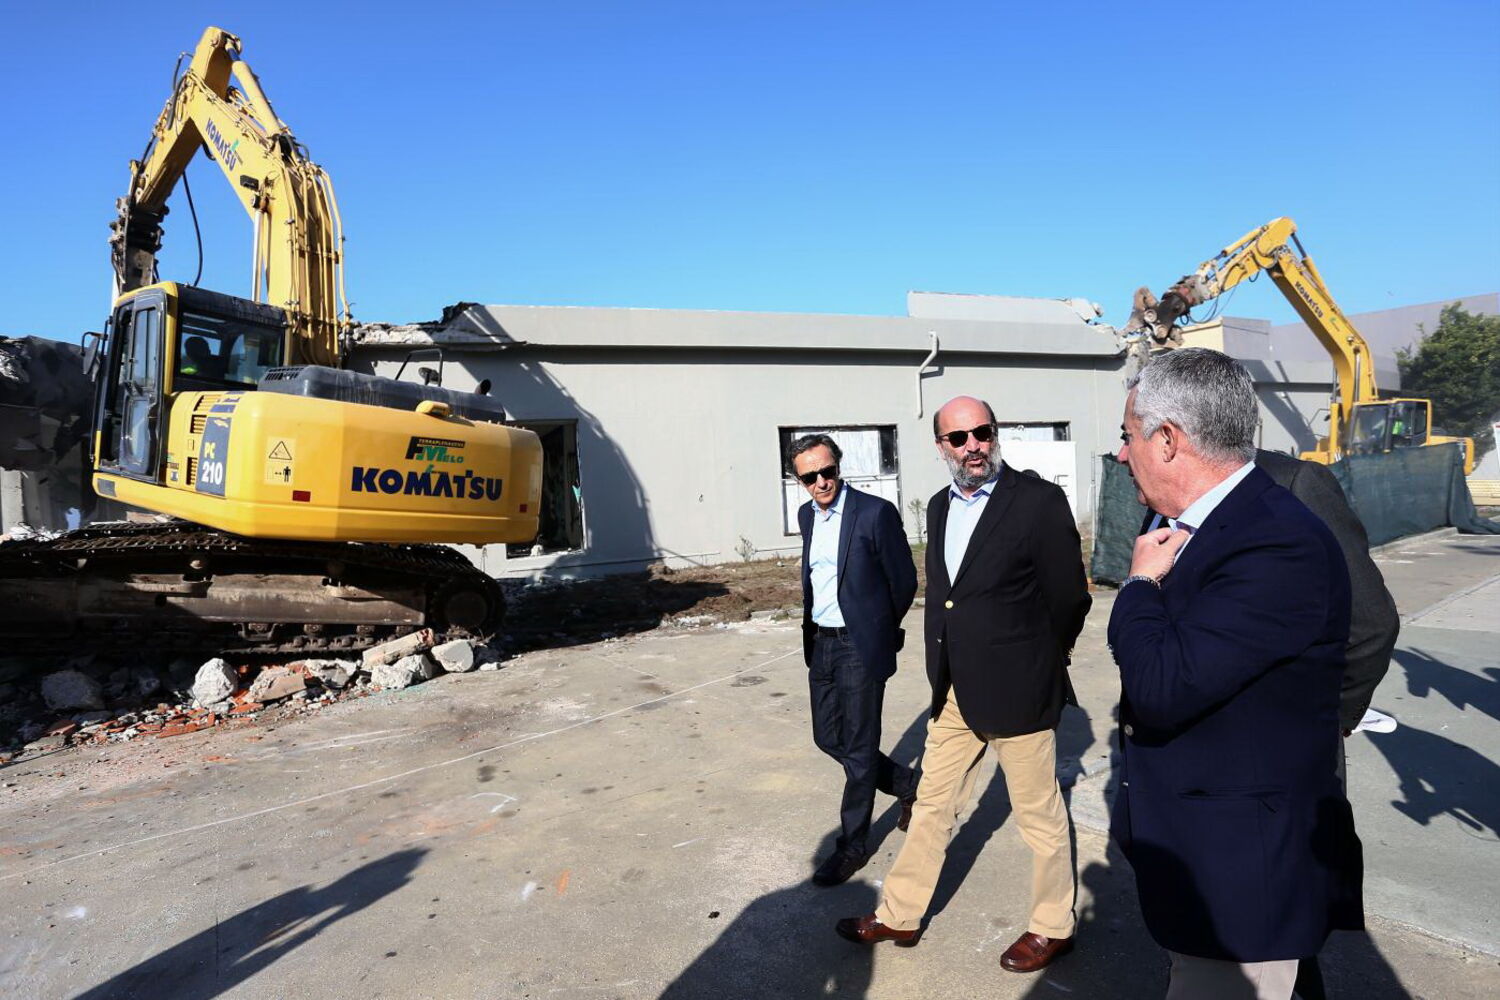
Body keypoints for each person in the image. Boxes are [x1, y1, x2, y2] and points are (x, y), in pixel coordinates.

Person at [1109, 348, 1363, 998]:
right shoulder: (1189, 522)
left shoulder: (1275, 542)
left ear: (1169, 440)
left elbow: (1161, 686)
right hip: (1205, 854)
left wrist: (1137, 587)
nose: (1121, 453)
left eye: (1128, 435)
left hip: (1242, 879)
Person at [836, 396, 1092, 975]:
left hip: (1020, 691)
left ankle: (1054, 926)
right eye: (959, 437)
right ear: (941, 447)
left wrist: (1042, 659)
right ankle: (900, 913)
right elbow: (947, 595)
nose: (973, 445)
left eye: (982, 432)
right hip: (955, 691)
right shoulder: (939, 506)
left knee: (1038, 816)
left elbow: (1068, 598)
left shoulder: (1037, 502)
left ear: (994, 434)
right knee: (931, 803)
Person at [789, 433, 920, 887]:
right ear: (800, 481)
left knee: (860, 750)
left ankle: (854, 846)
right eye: (810, 477)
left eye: (827, 471)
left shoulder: (873, 513)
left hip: (859, 646)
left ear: (838, 467)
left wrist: (877, 629)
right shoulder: (807, 516)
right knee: (828, 737)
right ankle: (909, 785)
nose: (821, 482)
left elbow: (904, 581)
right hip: (821, 642)